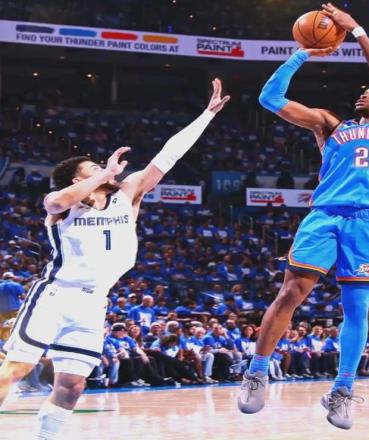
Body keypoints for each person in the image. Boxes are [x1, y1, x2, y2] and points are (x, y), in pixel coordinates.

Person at [0, 79, 229, 439]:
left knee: (72, 386)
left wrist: (206, 115)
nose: (105, 168)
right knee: (16, 367)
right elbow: (55, 201)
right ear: (77, 179)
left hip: (94, 303)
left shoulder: (128, 193)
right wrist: (104, 174)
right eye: (92, 168)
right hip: (55, 295)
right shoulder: (64, 205)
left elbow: (167, 156)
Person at [237, 3, 369, 431]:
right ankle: (257, 372)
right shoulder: (329, 125)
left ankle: (342, 389)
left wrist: (356, 31)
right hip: (324, 215)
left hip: (368, 222)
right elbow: (269, 99)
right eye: (365, 91)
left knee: (357, 309)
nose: (368, 93)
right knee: (290, 293)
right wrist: (302, 53)